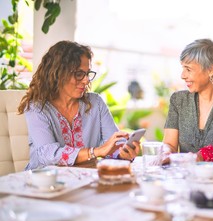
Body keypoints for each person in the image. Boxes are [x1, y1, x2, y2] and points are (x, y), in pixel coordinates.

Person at [18, 41, 140, 170]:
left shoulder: (96, 103)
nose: (86, 80)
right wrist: (95, 151)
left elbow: (112, 144)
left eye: (87, 73)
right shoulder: (37, 107)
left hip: (85, 180)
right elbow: (49, 154)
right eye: (79, 74)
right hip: (44, 183)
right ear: (58, 73)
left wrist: (123, 152)